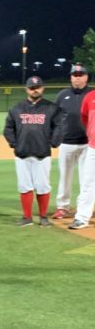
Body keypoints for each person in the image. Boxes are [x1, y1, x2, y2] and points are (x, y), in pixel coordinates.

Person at [3, 76, 64, 227]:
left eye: (37, 87)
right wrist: (15, 144)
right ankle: (27, 217)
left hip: (42, 154)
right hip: (22, 153)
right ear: (26, 90)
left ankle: (43, 216)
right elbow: (8, 128)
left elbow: (59, 127)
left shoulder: (52, 108)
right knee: (24, 186)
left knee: (43, 185)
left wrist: (53, 143)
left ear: (43, 88)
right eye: (32, 87)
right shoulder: (17, 108)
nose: (35, 90)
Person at [53, 64, 90, 221]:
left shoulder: (92, 94)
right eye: (75, 75)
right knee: (64, 177)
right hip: (66, 142)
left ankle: (84, 208)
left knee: (87, 178)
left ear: (86, 77)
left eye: (81, 74)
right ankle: (63, 207)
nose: (77, 77)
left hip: (88, 144)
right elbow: (55, 118)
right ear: (71, 77)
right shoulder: (62, 95)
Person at [70, 78, 95, 229]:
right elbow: (85, 118)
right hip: (93, 147)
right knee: (88, 183)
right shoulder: (90, 97)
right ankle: (82, 217)